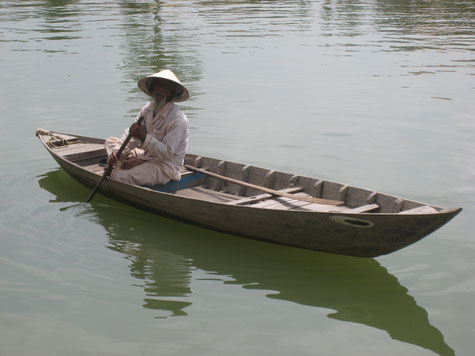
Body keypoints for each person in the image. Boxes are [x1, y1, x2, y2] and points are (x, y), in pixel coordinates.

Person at [105, 69, 190, 186]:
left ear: (172, 93)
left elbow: (166, 153)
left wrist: (144, 137)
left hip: (164, 167)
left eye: (165, 87)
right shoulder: (147, 109)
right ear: (151, 89)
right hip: (146, 155)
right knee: (110, 142)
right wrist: (118, 152)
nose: (160, 90)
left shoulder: (178, 119)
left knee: (116, 176)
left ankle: (129, 164)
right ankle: (125, 161)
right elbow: (133, 135)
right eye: (157, 86)